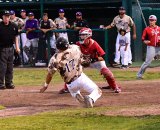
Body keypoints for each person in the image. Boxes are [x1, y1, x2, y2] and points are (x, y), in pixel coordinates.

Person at [43, 28, 121, 94]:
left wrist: (92, 59)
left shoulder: (94, 44)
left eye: (83, 35)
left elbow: (102, 56)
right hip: (83, 61)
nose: (81, 37)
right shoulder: (78, 44)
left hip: (95, 61)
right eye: (81, 35)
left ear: (88, 36)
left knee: (106, 72)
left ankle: (114, 87)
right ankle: (66, 88)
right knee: (71, 71)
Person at [40, 37, 102, 108]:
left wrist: (46, 85)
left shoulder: (54, 59)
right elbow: (82, 59)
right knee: (97, 91)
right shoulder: (75, 48)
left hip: (70, 84)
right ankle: (91, 98)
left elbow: (50, 74)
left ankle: (76, 95)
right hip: (80, 77)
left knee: (74, 92)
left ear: (57, 46)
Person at [0, 10, 20, 89]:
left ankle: (9, 83)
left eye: (8, 16)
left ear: (9, 17)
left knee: (10, 67)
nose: (6, 18)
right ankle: (1, 83)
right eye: (5, 16)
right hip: (1, 49)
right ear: (2, 17)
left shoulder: (14, 25)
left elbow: (16, 37)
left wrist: (17, 47)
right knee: (2, 67)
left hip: (11, 48)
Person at [137, 15, 160, 79]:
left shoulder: (159, 28)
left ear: (155, 21)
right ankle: (139, 75)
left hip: (159, 47)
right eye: (150, 20)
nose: (151, 21)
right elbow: (143, 38)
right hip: (151, 47)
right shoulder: (146, 29)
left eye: (152, 20)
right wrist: (145, 41)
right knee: (147, 63)